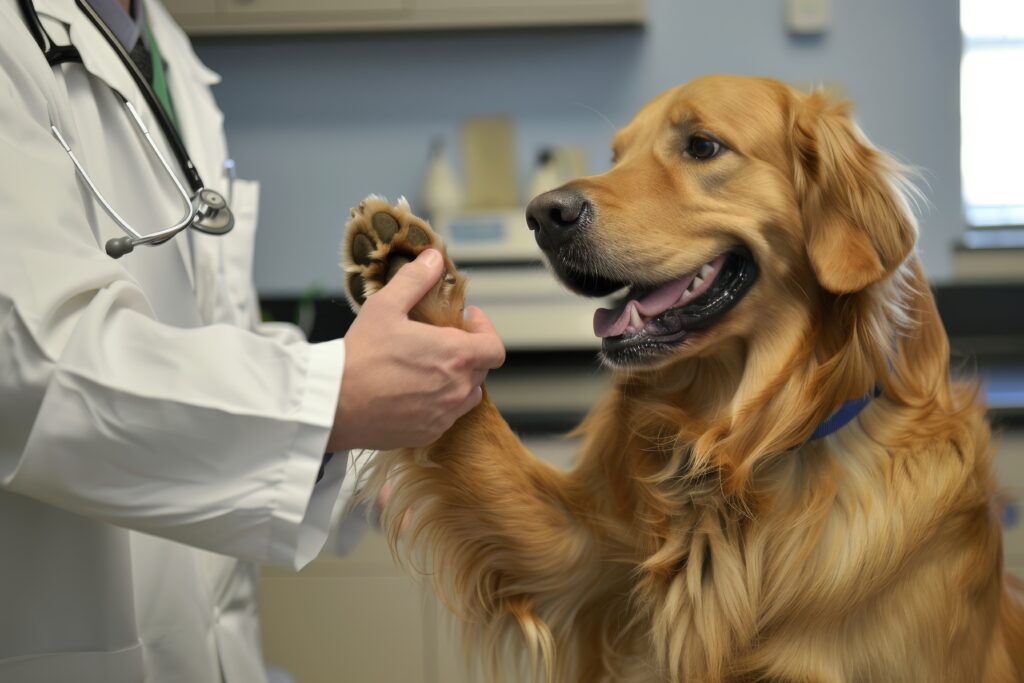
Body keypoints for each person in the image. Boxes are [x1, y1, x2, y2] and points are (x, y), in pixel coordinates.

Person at [0, 0, 506, 681]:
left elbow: (210, 334)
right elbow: (34, 361)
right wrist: (336, 396)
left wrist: (358, 456)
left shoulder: (167, 49)